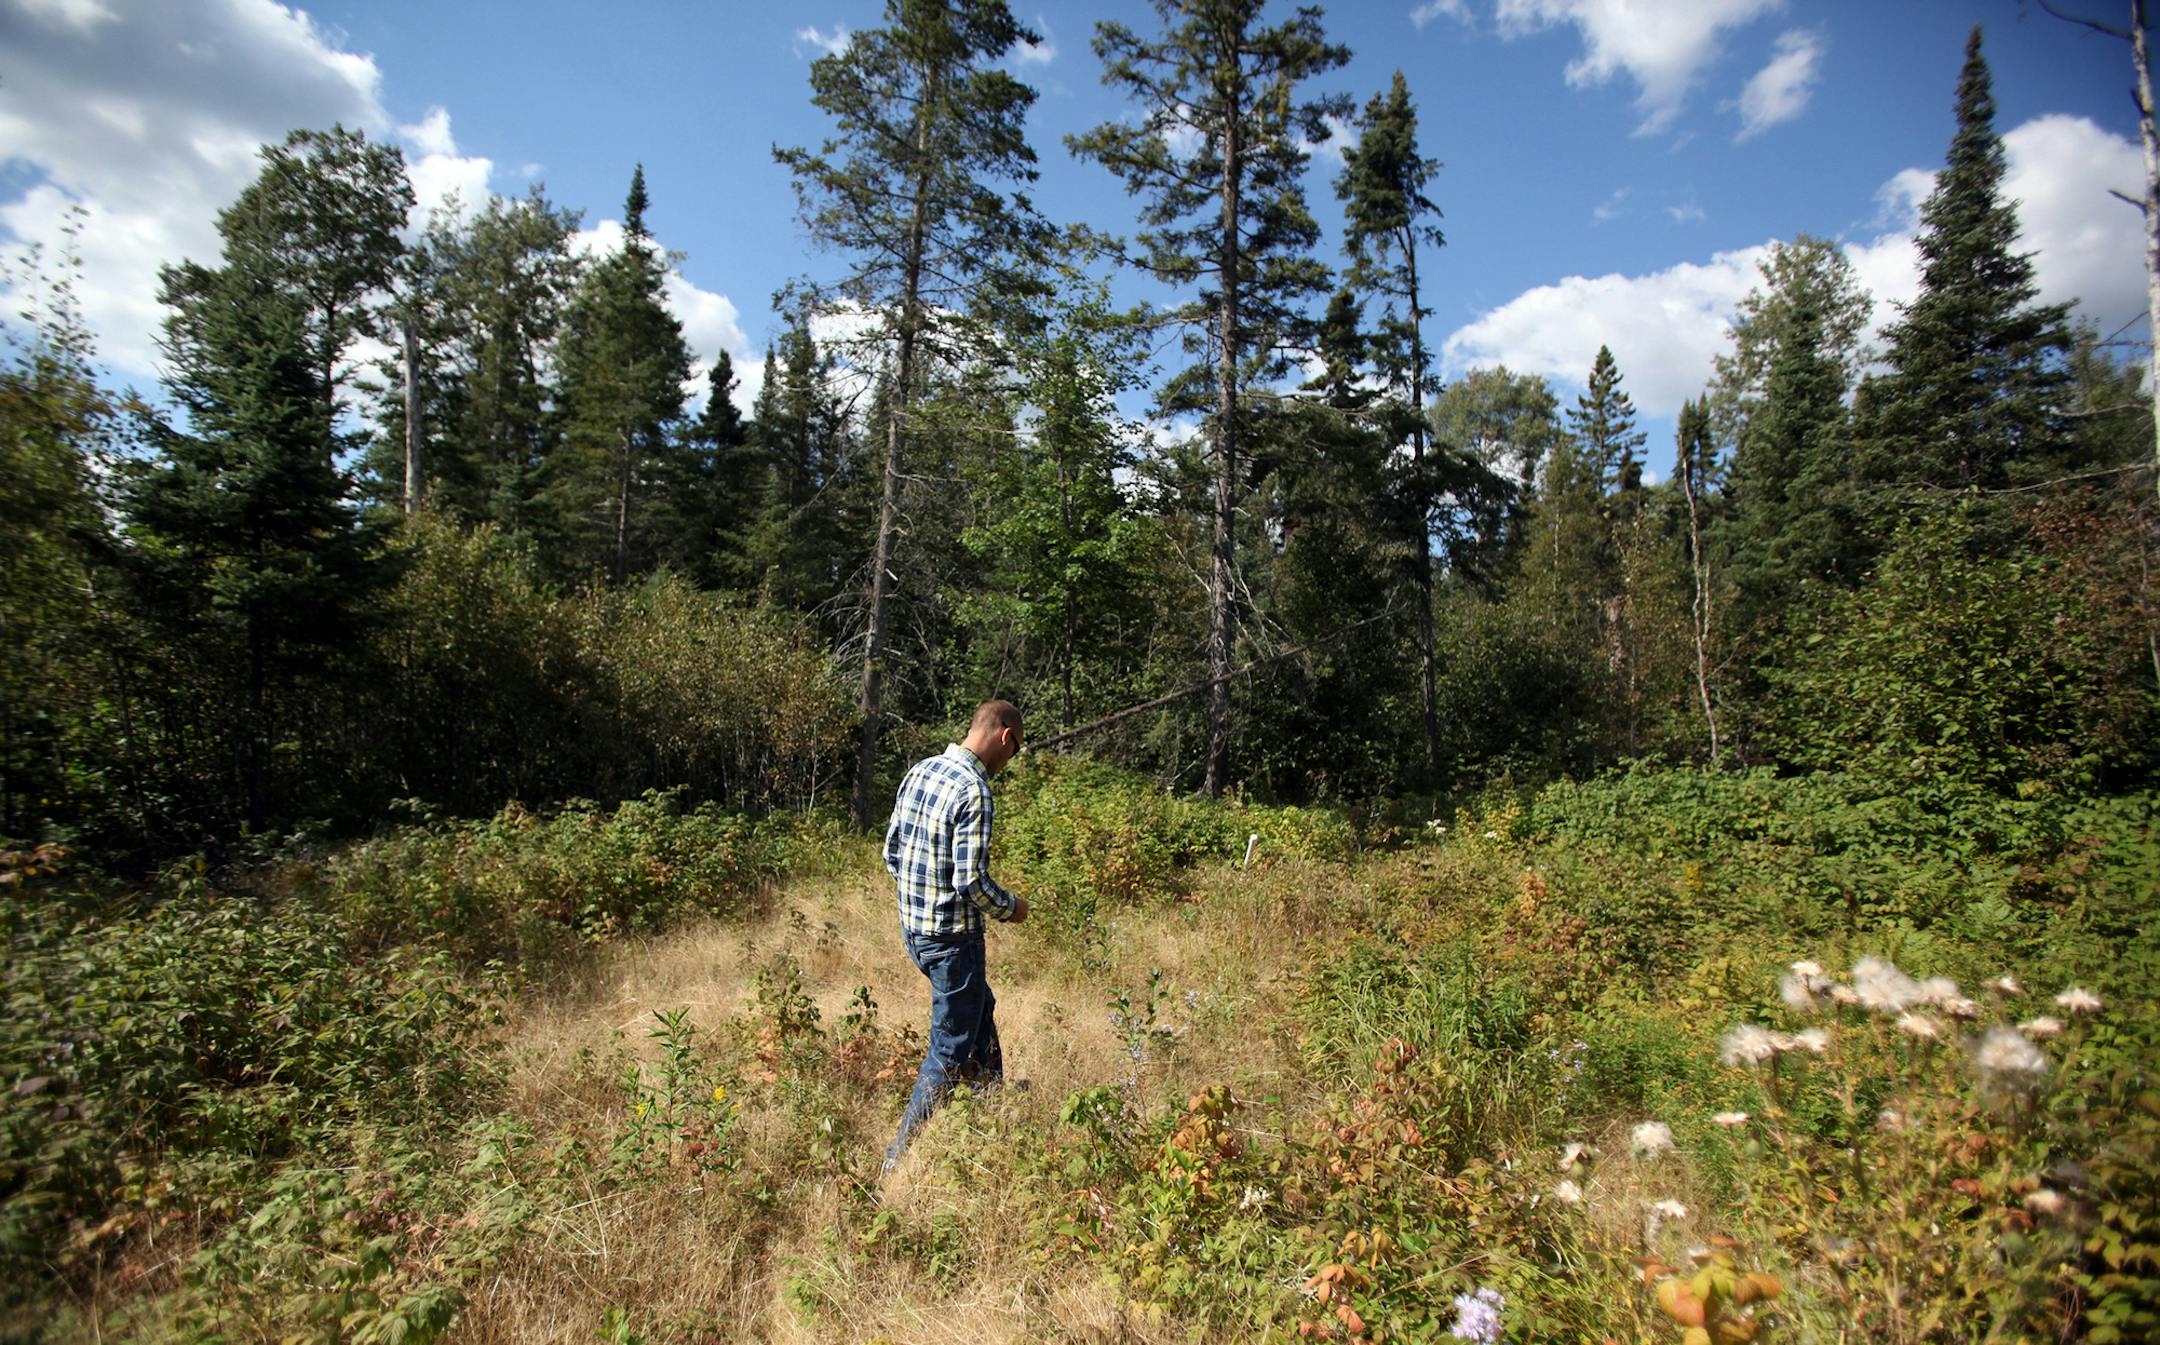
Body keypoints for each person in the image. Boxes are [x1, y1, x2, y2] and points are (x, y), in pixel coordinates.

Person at [883, 699, 1029, 1167]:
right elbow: (970, 883)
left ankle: (990, 1102)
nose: (1011, 761)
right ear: (1005, 737)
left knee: (979, 1007)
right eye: (1017, 749)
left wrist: (917, 905)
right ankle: (899, 1158)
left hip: (916, 934)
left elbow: (891, 852)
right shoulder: (975, 790)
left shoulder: (921, 770)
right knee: (949, 1045)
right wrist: (1012, 908)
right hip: (952, 943)